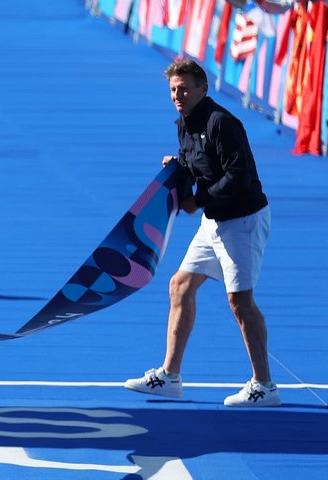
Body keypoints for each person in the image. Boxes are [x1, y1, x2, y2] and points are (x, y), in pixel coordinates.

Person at [124, 59, 280, 407]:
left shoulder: (222, 123)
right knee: (180, 284)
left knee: (240, 301)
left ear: (202, 90)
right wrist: (177, 168)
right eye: (173, 90)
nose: (177, 95)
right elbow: (195, 161)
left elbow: (237, 175)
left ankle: (265, 385)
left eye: (184, 89)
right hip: (214, 221)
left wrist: (197, 200)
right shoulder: (185, 123)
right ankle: (170, 376)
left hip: (242, 221)